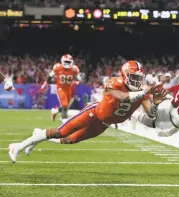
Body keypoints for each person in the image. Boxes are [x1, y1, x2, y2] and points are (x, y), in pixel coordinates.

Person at [8, 61, 166, 163]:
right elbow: (122, 96)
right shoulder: (115, 82)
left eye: (139, 78)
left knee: (69, 140)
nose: (137, 81)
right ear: (124, 75)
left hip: (104, 124)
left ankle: (38, 135)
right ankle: (18, 146)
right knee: (62, 132)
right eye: (133, 77)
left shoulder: (143, 92)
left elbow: (150, 116)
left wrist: (156, 104)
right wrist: (144, 92)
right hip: (93, 113)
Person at [40, 54, 82, 122]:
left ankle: (55, 111)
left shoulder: (74, 69)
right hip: (61, 88)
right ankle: (64, 121)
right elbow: (49, 77)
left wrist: (77, 80)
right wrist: (44, 85)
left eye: (68, 62)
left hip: (69, 89)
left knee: (66, 107)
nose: (67, 63)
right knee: (65, 105)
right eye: (66, 61)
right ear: (62, 61)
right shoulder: (58, 67)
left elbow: (79, 79)